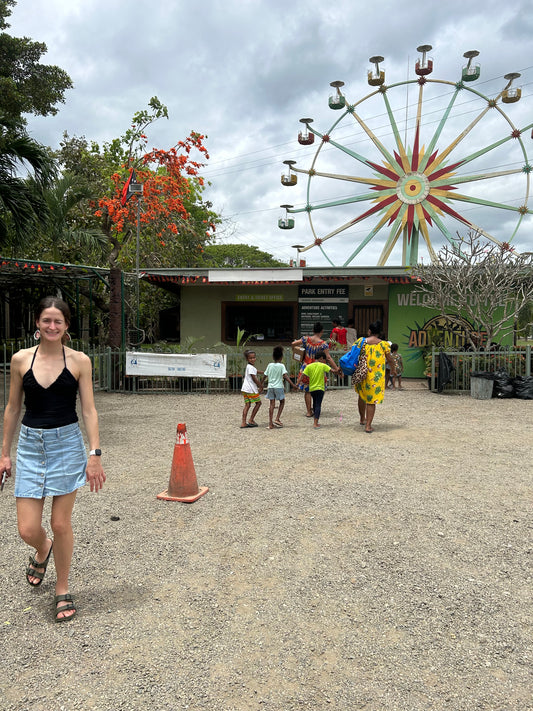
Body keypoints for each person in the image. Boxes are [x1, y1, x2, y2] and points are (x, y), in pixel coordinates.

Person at [0, 296, 105, 623]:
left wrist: (95, 454)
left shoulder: (79, 361)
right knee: (27, 529)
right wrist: (4, 452)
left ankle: (61, 587)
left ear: (66, 326)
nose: (52, 326)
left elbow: (88, 410)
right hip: (31, 446)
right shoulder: (20, 360)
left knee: (61, 523)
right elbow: (13, 408)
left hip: (67, 446)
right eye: (46, 320)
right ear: (37, 322)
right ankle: (42, 547)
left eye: (58, 321)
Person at [354, 320, 397, 434]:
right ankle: (368, 426)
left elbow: (353, 353)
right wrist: (393, 369)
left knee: (362, 396)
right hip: (376, 377)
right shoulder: (384, 344)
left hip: (362, 374)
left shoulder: (361, 341)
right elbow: (390, 359)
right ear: (379, 332)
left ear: (369, 331)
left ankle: (362, 419)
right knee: (371, 401)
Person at [292, 322, 338, 418]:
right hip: (319, 369)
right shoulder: (323, 344)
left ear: (313, 330)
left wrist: (299, 352)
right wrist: (336, 368)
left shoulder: (305, 339)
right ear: (322, 331)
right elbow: (328, 358)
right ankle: (316, 408)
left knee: (307, 390)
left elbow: (293, 344)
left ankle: (309, 411)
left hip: (306, 367)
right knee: (318, 388)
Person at [262, 345, 297, 429]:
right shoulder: (281, 366)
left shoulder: (269, 365)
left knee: (271, 404)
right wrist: (293, 385)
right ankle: (277, 418)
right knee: (282, 401)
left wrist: (261, 384)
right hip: (279, 387)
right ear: (281, 357)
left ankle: (270, 423)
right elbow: (285, 376)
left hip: (270, 387)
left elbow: (265, 375)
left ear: (273, 357)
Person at [303, 352, 340, 428]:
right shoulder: (323, 365)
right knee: (318, 405)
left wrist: (296, 383)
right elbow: (333, 371)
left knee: (314, 403)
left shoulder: (309, 366)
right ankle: (316, 423)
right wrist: (340, 368)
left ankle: (314, 421)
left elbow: (303, 374)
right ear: (321, 358)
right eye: (324, 359)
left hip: (312, 388)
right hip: (320, 388)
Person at [240, 350, 263, 428]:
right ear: (247, 359)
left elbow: (256, 371)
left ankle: (243, 422)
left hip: (245, 389)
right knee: (258, 403)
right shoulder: (251, 367)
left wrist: (265, 372)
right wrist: (261, 386)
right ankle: (251, 419)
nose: (253, 359)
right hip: (250, 389)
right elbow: (254, 378)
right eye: (250, 358)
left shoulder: (249, 367)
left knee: (247, 405)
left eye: (254, 357)